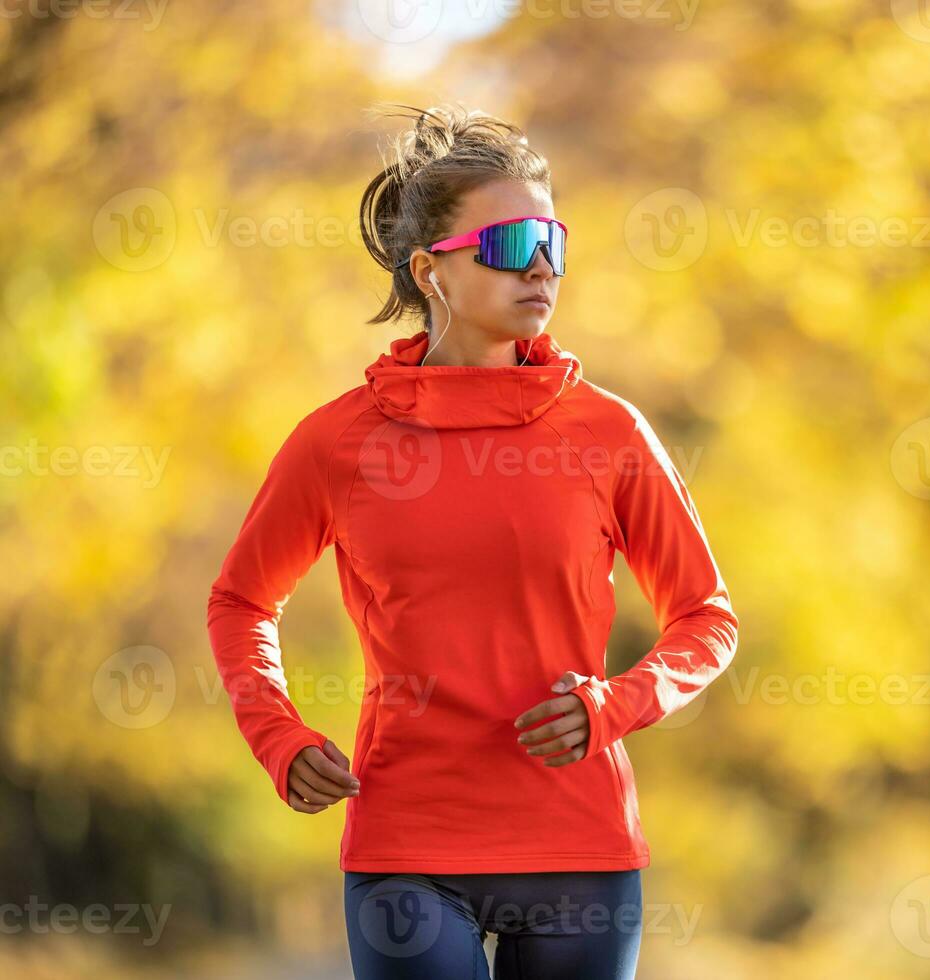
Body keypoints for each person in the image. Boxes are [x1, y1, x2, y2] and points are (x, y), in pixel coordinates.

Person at [205, 104, 739, 979]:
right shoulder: (337, 442)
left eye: (552, 240)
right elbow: (241, 601)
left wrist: (618, 704)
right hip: (405, 845)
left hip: (579, 852)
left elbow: (706, 616)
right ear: (431, 271)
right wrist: (279, 736)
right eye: (506, 243)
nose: (538, 265)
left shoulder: (609, 433)